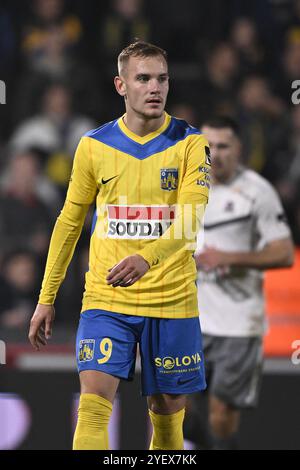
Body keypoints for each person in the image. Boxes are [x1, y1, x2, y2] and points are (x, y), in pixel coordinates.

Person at [28, 40, 211, 450]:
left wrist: (146, 259)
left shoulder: (191, 143)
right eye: (143, 78)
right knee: (92, 408)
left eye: (162, 78)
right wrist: (47, 296)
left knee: (166, 423)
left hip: (172, 299)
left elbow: (190, 221)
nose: (155, 87)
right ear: (120, 86)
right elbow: (69, 222)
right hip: (108, 298)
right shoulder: (94, 146)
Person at [186, 116, 294, 450]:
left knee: (221, 418)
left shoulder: (257, 192)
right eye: (209, 146)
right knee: (173, 408)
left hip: (238, 323)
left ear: (238, 149)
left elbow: (284, 253)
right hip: (190, 318)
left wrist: (229, 258)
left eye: (223, 146)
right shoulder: (184, 186)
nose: (215, 154)